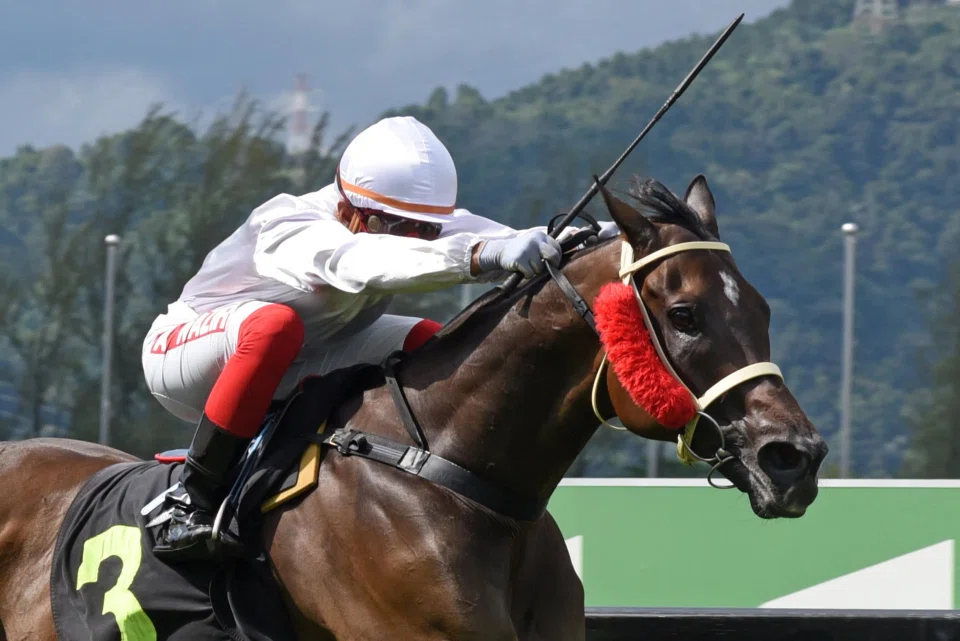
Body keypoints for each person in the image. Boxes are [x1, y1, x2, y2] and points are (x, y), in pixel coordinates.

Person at [141, 115, 617, 559]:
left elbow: (512, 236)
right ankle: (192, 497)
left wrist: (601, 243)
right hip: (189, 359)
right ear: (349, 207)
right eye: (397, 228)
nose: (413, 239)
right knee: (273, 327)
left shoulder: (400, 217)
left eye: (425, 230)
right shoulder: (291, 225)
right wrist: (482, 256)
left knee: (433, 341)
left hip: (307, 350)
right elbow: (366, 260)